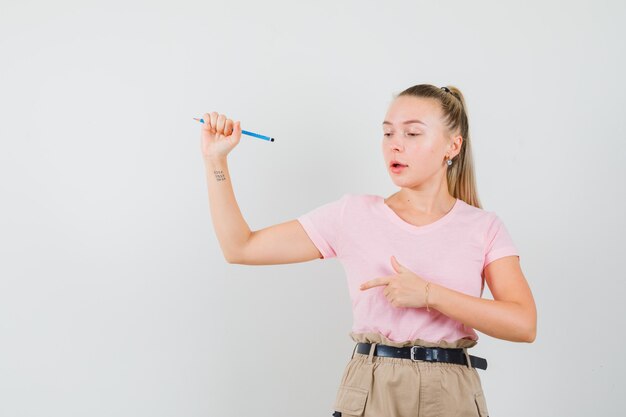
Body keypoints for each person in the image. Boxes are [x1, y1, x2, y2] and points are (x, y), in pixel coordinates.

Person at [199, 83, 537, 417]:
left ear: (453, 145)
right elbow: (240, 247)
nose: (395, 146)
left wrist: (430, 294)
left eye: (412, 134)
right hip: (373, 387)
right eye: (388, 134)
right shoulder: (352, 215)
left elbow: (523, 324)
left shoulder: (483, 226)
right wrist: (216, 161)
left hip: (451, 392)